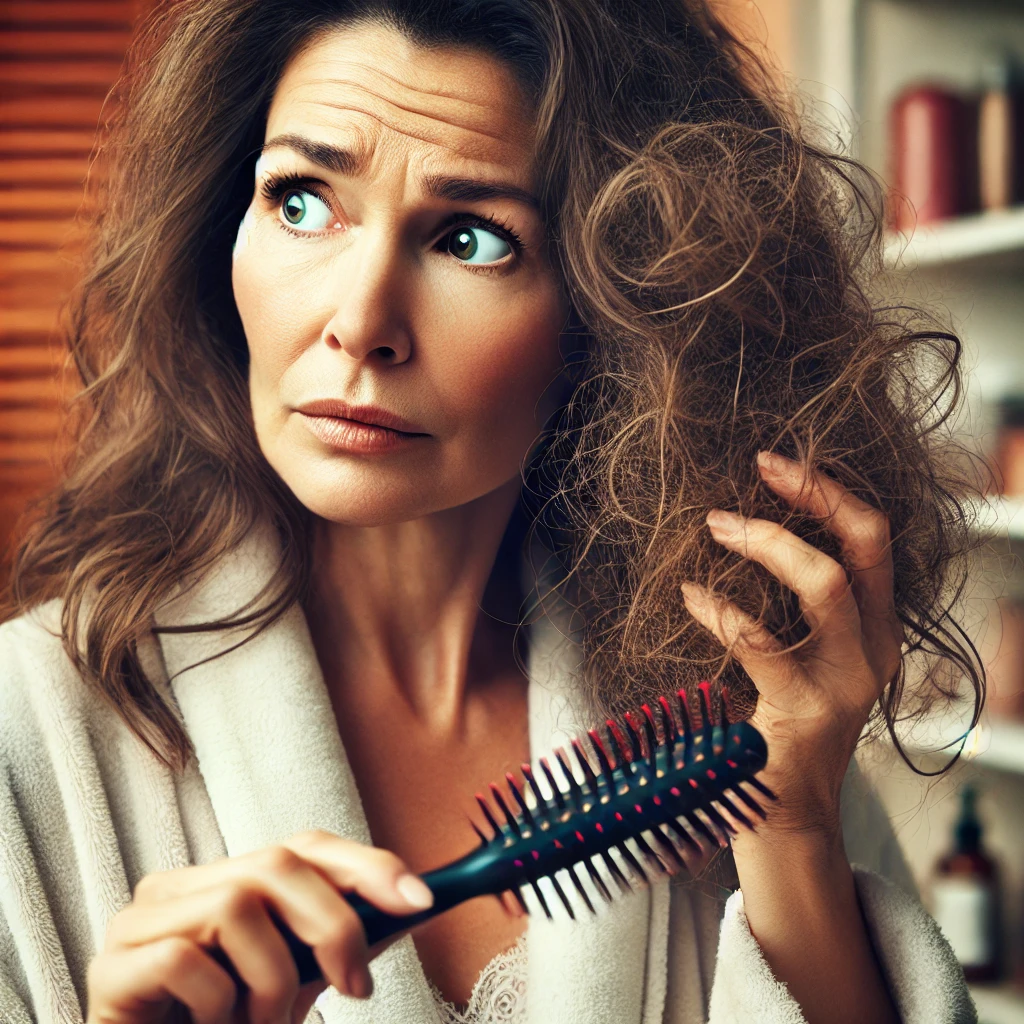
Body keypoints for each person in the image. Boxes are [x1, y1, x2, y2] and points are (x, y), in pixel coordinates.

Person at [0, 1, 982, 1022]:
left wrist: (793, 836)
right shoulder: (27, 730)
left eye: (471, 238)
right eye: (300, 200)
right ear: (221, 239)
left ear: (622, 310)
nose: (359, 322)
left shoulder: (728, 716)